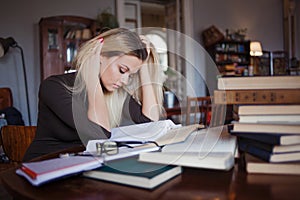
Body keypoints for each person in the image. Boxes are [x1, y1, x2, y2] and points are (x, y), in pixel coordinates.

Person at [23, 28, 165, 161]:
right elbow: (99, 134)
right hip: (44, 165)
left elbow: (149, 124)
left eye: (131, 75)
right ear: (100, 56)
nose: (125, 81)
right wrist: (92, 77)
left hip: (83, 165)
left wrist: (144, 68)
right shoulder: (54, 87)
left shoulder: (115, 93)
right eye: (122, 70)